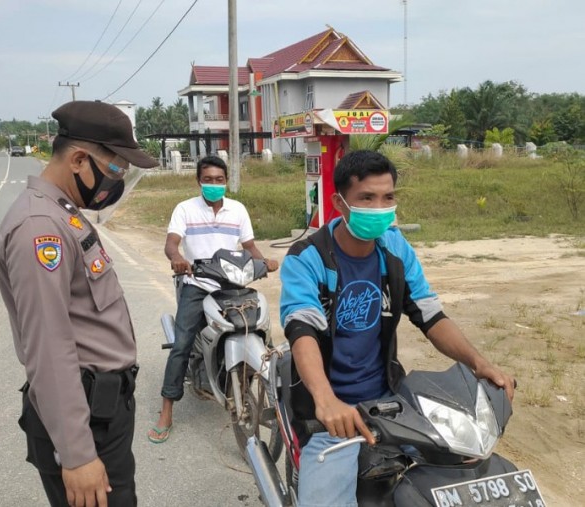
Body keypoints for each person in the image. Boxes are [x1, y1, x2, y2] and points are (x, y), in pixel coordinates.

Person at [279, 150, 516, 507]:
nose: (379, 208)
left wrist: (479, 364)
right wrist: (326, 401)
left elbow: (430, 315)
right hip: (329, 413)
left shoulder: (395, 248)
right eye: (367, 198)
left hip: (391, 401)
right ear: (339, 203)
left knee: (460, 472)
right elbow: (303, 330)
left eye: (387, 197)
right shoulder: (308, 256)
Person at [0, 100, 158, 507]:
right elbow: (48, 347)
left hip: (102, 411)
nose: (117, 183)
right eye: (116, 171)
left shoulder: (64, 213)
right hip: (85, 422)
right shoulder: (40, 228)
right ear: (80, 160)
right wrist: (78, 454)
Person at [148, 155, 279, 443]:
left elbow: (250, 247)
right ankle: (166, 411)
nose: (214, 185)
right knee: (181, 344)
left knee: (262, 331)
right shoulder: (185, 209)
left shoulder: (238, 210)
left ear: (226, 181)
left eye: (219, 180)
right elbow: (172, 243)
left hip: (233, 284)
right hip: (198, 283)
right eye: (208, 180)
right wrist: (178, 258)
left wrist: (265, 262)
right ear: (199, 181)